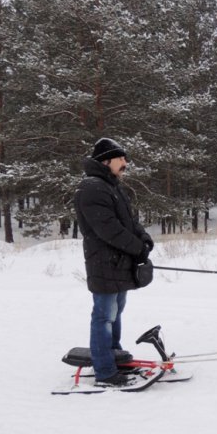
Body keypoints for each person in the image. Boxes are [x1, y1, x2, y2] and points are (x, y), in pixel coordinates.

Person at [74, 137, 154, 386]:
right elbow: (107, 229)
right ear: (106, 160)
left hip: (119, 262)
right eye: (121, 158)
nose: (125, 163)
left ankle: (115, 356)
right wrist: (136, 248)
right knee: (104, 315)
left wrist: (144, 239)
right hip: (104, 262)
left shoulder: (111, 186)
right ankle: (105, 371)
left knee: (115, 312)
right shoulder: (92, 188)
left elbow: (128, 222)